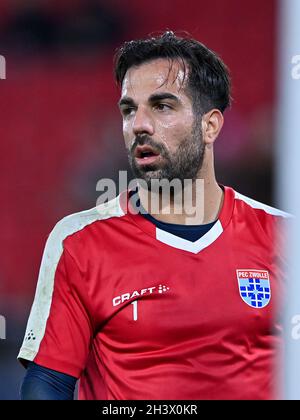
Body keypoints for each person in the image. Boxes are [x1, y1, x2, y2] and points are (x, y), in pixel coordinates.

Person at [19, 31, 289, 400]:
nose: (139, 125)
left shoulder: (283, 236)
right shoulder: (79, 242)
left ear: (210, 126)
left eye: (162, 106)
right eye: (129, 110)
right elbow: (47, 383)